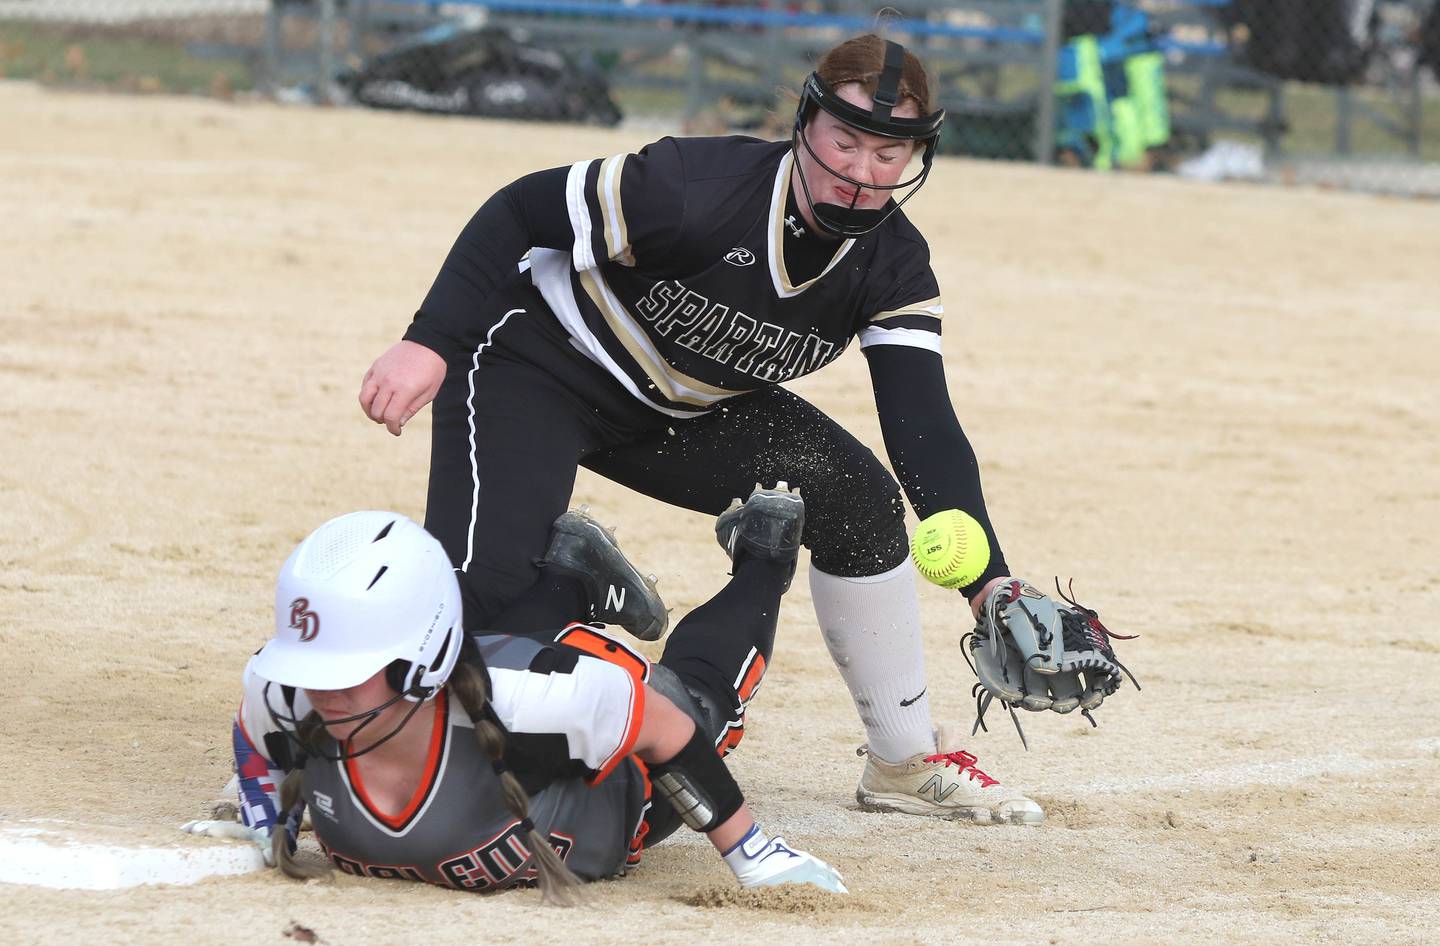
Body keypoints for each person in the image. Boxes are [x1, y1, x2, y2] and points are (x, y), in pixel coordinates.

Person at [358, 32, 1053, 823]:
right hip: (539, 367)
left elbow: (923, 424)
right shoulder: (694, 186)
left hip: (680, 412)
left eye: (889, 154)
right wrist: (430, 342)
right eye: (846, 141)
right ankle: (344, 735)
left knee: (860, 503)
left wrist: (989, 583)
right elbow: (519, 207)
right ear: (805, 124)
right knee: (486, 599)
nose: (863, 173)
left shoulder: (894, 265)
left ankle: (902, 759)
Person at [183, 487, 848, 897]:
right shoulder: (286, 691)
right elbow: (255, 730)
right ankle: (571, 572)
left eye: (343, 664)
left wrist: (752, 855)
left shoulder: (542, 703)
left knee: (702, 701)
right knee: (502, 644)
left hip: (619, 773)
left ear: (419, 661)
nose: (317, 688)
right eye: (310, 665)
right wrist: (263, 813)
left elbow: (664, 728)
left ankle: (763, 556)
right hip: (499, 672)